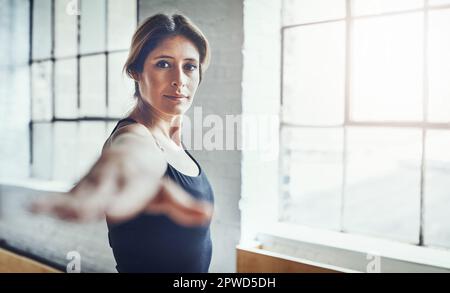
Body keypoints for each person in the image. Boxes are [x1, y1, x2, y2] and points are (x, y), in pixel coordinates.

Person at [31, 13, 215, 273]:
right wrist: (114, 169)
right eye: (164, 64)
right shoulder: (135, 136)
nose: (180, 79)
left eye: (190, 66)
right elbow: (129, 153)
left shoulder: (172, 141)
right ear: (135, 71)